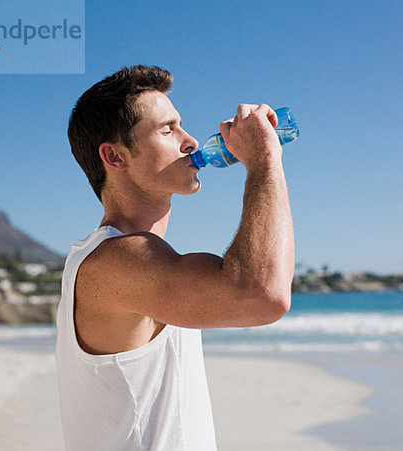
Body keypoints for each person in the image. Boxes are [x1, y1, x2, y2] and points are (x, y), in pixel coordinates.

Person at [55, 65, 295, 451]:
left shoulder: (133, 261)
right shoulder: (115, 262)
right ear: (115, 157)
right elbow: (263, 294)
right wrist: (265, 158)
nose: (191, 141)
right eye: (168, 130)